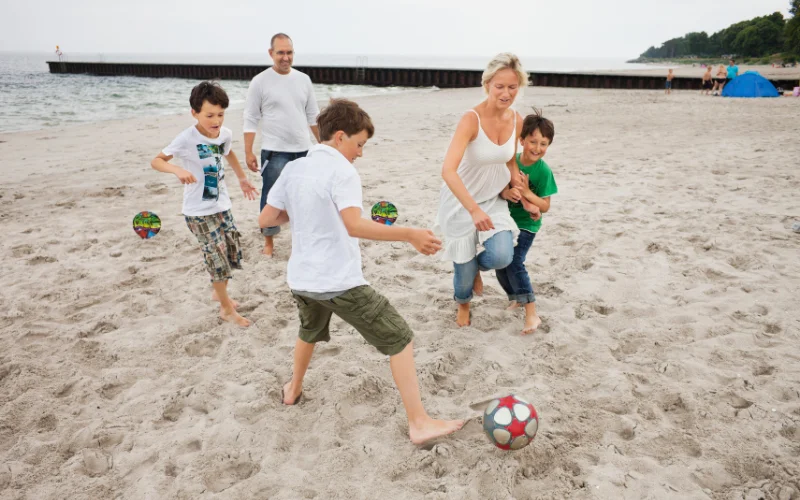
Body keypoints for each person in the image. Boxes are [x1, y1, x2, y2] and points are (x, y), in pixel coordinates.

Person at [258, 98, 464, 445]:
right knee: (399, 337)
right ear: (340, 137)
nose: (361, 153)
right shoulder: (342, 171)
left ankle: (292, 389)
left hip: (302, 279)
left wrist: (305, 211)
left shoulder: (293, 169)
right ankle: (419, 423)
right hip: (338, 280)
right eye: (359, 144)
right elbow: (353, 225)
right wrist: (409, 234)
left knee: (309, 330)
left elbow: (266, 220)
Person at [435, 53, 540, 327]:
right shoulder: (471, 120)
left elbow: (508, 158)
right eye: (500, 86)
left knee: (502, 255)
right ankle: (463, 304)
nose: (506, 93)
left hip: (493, 199)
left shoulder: (517, 119)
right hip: (462, 203)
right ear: (487, 85)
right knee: (463, 277)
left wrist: (523, 195)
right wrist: (473, 209)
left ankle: (474, 267)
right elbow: (448, 170)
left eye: (513, 87)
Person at [151, 82, 259, 327]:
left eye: (220, 114)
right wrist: (177, 169)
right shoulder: (187, 138)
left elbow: (227, 151)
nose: (216, 120)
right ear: (195, 113)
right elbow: (157, 161)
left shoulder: (225, 134)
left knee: (231, 251)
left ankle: (218, 291)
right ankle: (225, 308)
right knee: (216, 260)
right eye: (209, 115)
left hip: (222, 205)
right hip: (198, 212)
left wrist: (242, 179)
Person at [243, 33, 321, 258]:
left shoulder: (304, 79)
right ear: (271, 54)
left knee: (305, 197)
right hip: (274, 152)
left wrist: (324, 144)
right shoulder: (260, 81)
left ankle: (305, 239)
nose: (285, 57)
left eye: (289, 52)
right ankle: (268, 243)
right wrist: (248, 151)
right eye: (281, 53)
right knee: (270, 198)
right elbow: (250, 118)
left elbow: (313, 115)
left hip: (304, 151)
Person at [496, 111, 557, 334]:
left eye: (544, 143)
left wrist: (528, 193)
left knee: (515, 261)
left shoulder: (543, 171)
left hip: (526, 225)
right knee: (500, 261)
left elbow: (546, 205)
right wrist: (507, 193)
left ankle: (532, 312)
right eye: (533, 141)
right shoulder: (511, 162)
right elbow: (499, 190)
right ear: (522, 141)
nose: (537, 148)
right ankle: (516, 298)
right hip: (503, 220)